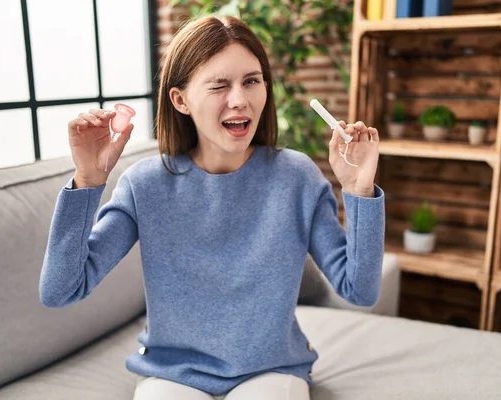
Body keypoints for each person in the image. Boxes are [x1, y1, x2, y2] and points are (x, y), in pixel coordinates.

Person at [40, 15, 385, 400]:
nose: (239, 99)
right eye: (219, 85)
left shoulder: (297, 177)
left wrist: (359, 190)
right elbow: (61, 290)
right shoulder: (144, 185)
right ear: (180, 100)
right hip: (172, 373)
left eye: (251, 81)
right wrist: (87, 182)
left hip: (272, 370)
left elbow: (360, 291)